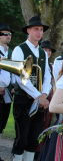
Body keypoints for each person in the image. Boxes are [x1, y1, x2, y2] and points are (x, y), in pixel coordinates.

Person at [11, 16, 52, 161]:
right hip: (24, 100)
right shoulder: (19, 49)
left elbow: (47, 76)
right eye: (36, 29)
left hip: (39, 101)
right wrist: (39, 96)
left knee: (34, 139)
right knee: (22, 138)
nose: (39, 33)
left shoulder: (43, 53)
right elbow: (20, 77)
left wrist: (45, 94)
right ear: (28, 30)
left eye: (41, 30)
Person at [0, 23, 14, 141]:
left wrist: (14, 85)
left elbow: (13, 71)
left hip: (8, 92)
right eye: (5, 34)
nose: (8, 36)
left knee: (2, 123)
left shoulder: (11, 52)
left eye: (9, 34)